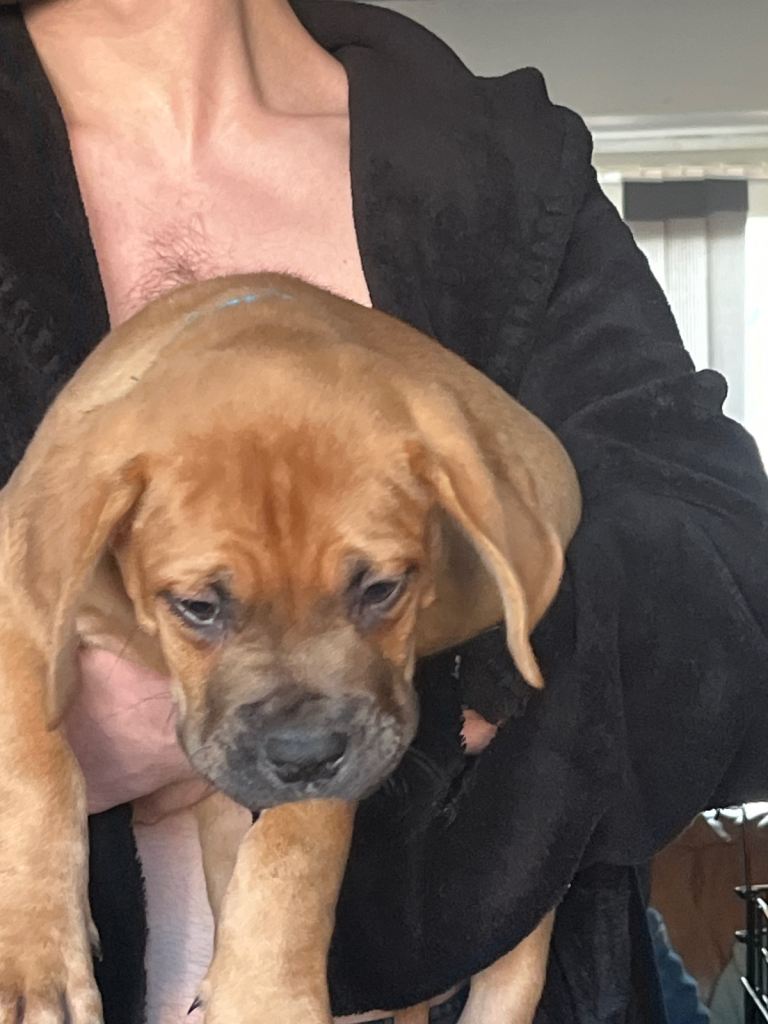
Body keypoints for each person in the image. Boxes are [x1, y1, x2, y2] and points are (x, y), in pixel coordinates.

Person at [1, 1, 767, 1022]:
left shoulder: (505, 165)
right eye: (202, 606)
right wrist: (54, 766)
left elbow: (728, 598)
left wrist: (439, 881)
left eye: (376, 587)